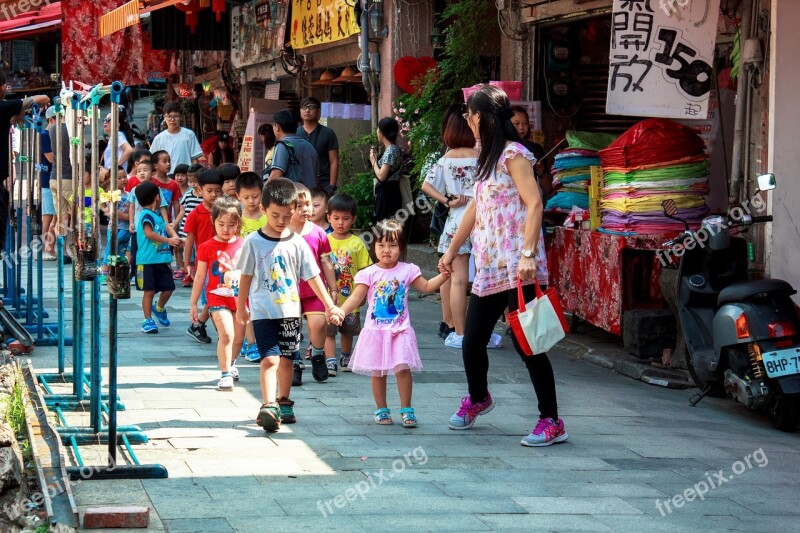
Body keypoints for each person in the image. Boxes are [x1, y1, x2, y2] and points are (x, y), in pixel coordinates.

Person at [439, 85, 567, 447]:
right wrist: (451, 252)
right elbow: (475, 210)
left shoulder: (514, 155)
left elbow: (535, 203)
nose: (467, 121)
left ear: (480, 117)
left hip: (519, 268)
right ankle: (479, 397)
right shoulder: (484, 157)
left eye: (469, 114)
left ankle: (552, 420)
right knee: (472, 342)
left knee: (529, 346)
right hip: (491, 267)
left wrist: (528, 255)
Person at [235, 178, 344, 432]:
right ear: (263, 210)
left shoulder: (297, 242)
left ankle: (284, 401)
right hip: (263, 312)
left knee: (287, 360)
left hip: (289, 313)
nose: (281, 220)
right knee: (270, 359)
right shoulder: (253, 241)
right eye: (275, 215)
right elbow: (246, 276)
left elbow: (313, 276)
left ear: (294, 210)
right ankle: (268, 405)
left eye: (286, 215)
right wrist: (241, 306)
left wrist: (330, 304)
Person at [339, 219, 450, 427]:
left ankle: (407, 409)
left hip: (400, 331)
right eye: (381, 245)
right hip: (376, 331)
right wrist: (341, 311)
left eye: (392, 245)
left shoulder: (408, 270)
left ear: (401, 247)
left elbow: (426, 286)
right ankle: (381, 409)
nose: (386, 250)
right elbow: (356, 298)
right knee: (378, 372)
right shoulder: (368, 273)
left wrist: (443, 276)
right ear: (374, 247)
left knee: (403, 369)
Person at [421, 112, 479, 349]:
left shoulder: (445, 160)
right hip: (481, 221)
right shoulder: (482, 157)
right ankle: (477, 330)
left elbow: (426, 185)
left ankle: (458, 331)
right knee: (482, 279)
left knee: (456, 279)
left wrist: (446, 201)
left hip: (456, 221)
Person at [190, 196, 245, 391]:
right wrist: (193, 303)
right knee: (227, 334)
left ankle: (231, 363)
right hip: (216, 297)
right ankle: (225, 374)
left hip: (240, 298)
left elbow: (251, 273)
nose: (226, 229)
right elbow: (199, 276)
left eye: (231, 224)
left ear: (238, 223)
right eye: (221, 224)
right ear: (213, 221)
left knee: (239, 338)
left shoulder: (245, 245)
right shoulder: (206, 247)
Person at [287, 182, 337, 386]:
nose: (305, 209)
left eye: (308, 204)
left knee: (318, 325)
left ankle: (317, 355)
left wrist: (333, 289)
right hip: (288, 292)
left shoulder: (318, 233)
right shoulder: (282, 232)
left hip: (314, 290)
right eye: (299, 205)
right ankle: (295, 364)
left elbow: (326, 262)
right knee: (292, 328)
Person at [1, 74, 50, 253]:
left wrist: (18, 113)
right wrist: (21, 109)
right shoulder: (4, 106)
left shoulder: (6, 108)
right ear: (3, 87)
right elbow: (43, 98)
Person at [325, 194, 372, 376]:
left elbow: (365, 270)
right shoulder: (324, 240)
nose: (340, 223)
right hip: (328, 297)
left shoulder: (357, 243)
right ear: (328, 217)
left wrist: (363, 294)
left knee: (348, 331)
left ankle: (346, 356)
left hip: (350, 298)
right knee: (329, 331)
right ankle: (330, 360)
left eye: (345, 219)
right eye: (336, 218)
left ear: (353, 219)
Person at [134, 181, 180, 334]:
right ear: (157, 197)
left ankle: (159, 308)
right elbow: (149, 234)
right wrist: (168, 240)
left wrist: (177, 238)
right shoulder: (145, 215)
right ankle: (147, 320)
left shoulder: (157, 215)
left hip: (162, 260)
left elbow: (167, 226)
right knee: (149, 291)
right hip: (146, 261)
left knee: (168, 288)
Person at [184, 168, 224, 345]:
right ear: (200, 190)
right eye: (209, 191)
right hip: (205, 263)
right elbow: (189, 239)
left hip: (224, 261)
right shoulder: (195, 213)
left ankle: (199, 325)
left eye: (217, 190)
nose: (214, 194)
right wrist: (187, 263)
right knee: (213, 297)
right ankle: (222, 334)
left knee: (219, 296)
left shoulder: (225, 211)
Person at [235, 171, 267, 363]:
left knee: (258, 305)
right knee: (246, 304)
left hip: (263, 269)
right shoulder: (236, 217)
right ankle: (251, 342)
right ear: (238, 196)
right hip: (242, 270)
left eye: (255, 196)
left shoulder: (266, 216)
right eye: (246, 197)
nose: (251, 201)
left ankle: (255, 340)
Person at [43, 101, 72, 263]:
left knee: (60, 217)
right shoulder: (67, 129)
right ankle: (61, 249)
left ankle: (58, 250)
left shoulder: (53, 130)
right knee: (72, 215)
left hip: (54, 178)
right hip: (65, 178)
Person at [296, 97, 339, 195]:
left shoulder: (328, 133)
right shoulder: (295, 133)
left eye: (311, 107)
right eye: (304, 107)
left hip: (323, 184)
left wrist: (331, 186)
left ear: (318, 111)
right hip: (300, 184)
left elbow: (334, 161)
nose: (307, 110)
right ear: (300, 111)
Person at [265, 110, 318, 189]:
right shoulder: (309, 146)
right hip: (310, 196)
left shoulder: (283, 146)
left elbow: (276, 175)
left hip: (293, 197)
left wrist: (263, 195)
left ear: (278, 127)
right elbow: (317, 177)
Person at [510, 105, 552, 199]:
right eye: (516, 123)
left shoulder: (536, 149)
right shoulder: (502, 148)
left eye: (525, 123)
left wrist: (541, 172)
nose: (521, 127)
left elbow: (548, 189)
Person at [149, 101, 203, 169]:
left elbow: (194, 159)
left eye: (175, 116)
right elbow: (152, 160)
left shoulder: (189, 135)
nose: (172, 120)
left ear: (180, 117)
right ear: (164, 118)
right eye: (169, 116)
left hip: (184, 176)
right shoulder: (159, 138)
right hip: (165, 176)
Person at [99, 168, 130, 282]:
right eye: (119, 177)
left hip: (126, 227)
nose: (123, 180)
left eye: (125, 177)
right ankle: (106, 269)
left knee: (119, 249)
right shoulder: (111, 194)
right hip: (114, 227)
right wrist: (126, 217)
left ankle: (112, 270)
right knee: (112, 247)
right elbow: (111, 210)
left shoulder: (129, 194)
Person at [369, 118, 402, 224]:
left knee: (385, 228)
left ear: (382, 132)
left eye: (378, 129)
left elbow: (382, 176)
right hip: (390, 192)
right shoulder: (392, 149)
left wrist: (373, 161)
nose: (377, 132)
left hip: (388, 195)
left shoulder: (391, 150)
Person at [177, 164, 204, 288]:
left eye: (195, 182)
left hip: (200, 230)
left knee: (198, 252)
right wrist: (175, 223)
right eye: (191, 181)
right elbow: (182, 211)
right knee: (187, 253)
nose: (193, 184)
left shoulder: (205, 197)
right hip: (186, 229)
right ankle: (188, 272)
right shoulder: (187, 195)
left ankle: (198, 272)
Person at [40, 107, 57, 260]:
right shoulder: (45, 135)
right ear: (51, 120)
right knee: (48, 217)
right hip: (46, 181)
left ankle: (49, 248)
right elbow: (51, 158)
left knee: (53, 216)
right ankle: (45, 248)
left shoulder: (51, 135)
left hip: (51, 180)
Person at [170, 163, 191, 280]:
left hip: (185, 222)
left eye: (183, 175)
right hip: (174, 220)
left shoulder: (190, 191)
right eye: (177, 175)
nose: (179, 178)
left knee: (186, 245)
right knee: (177, 245)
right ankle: (179, 266)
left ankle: (185, 266)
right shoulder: (174, 188)